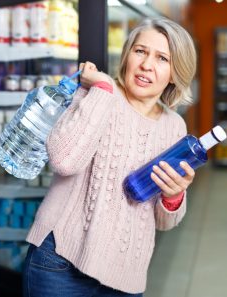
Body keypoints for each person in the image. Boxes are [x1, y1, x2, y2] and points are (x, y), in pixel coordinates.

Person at [22, 17, 197, 297]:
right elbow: (63, 160)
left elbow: (165, 222)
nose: (146, 65)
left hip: (124, 274)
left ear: (176, 73)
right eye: (140, 51)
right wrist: (102, 91)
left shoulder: (174, 126)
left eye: (162, 58)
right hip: (60, 260)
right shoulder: (99, 92)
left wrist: (174, 197)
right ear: (127, 55)